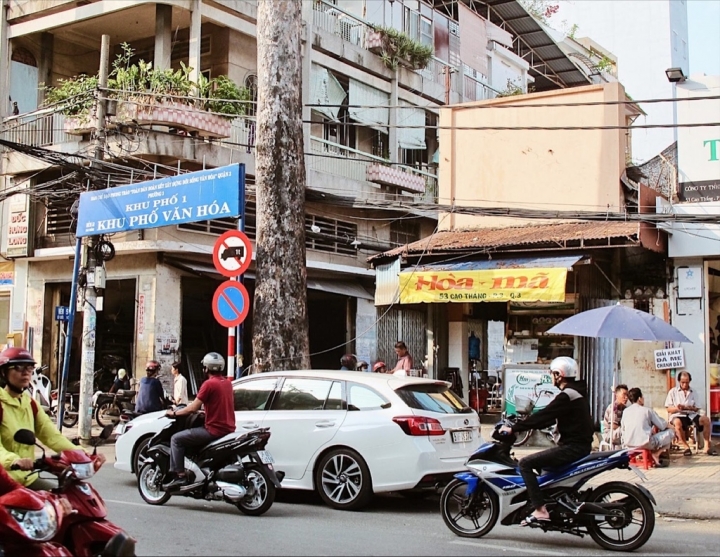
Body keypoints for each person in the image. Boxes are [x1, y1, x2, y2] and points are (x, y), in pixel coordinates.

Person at [500, 356, 594, 526]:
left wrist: (514, 428)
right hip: (579, 446)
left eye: (552, 373)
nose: (551, 376)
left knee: (525, 463)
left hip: (572, 447)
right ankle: (555, 501)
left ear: (559, 374)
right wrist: (528, 424)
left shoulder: (568, 395)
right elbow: (549, 418)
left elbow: (545, 415)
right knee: (542, 466)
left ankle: (540, 509)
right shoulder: (575, 393)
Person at [0, 347, 106, 489]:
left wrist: (82, 454)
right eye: (18, 367)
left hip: (27, 478)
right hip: (4, 480)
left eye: (29, 367)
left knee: (61, 502)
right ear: (3, 372)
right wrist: (15, 460)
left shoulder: (30, 404)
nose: (25, 372)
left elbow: (53, 437)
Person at [162, 352, 235, 491]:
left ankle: (180, 476)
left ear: (206, 368)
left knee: (176, 439)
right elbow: (218, 404)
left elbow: (192, 408)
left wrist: (175, 413)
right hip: (228, 428)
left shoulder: (208, 384)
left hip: (213, 430)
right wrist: (204, 413)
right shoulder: (227, 383)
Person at [665, 371, 716, 456]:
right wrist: (677, 408)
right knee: (677, 423)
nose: (685, 384)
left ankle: (707, 447)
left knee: (706, 420)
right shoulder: (673, 392)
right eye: (683, 382)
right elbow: (668, 409)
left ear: (689, 381)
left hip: (691, 414)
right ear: (679, 381)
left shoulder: (693, 392)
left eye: (687, 382)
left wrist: (690, 407)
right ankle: (686, 447)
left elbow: (697, 408)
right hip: (678, 414)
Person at [621, 387, 674, 467]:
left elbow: (623, 429)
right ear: (639, 398)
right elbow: (662, 425)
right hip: (645, 443)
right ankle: (656, 454)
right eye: (642, 397)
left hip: (628, 444)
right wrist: (672, 427)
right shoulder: (647, 410)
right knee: (671, 433)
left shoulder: (625, 411)